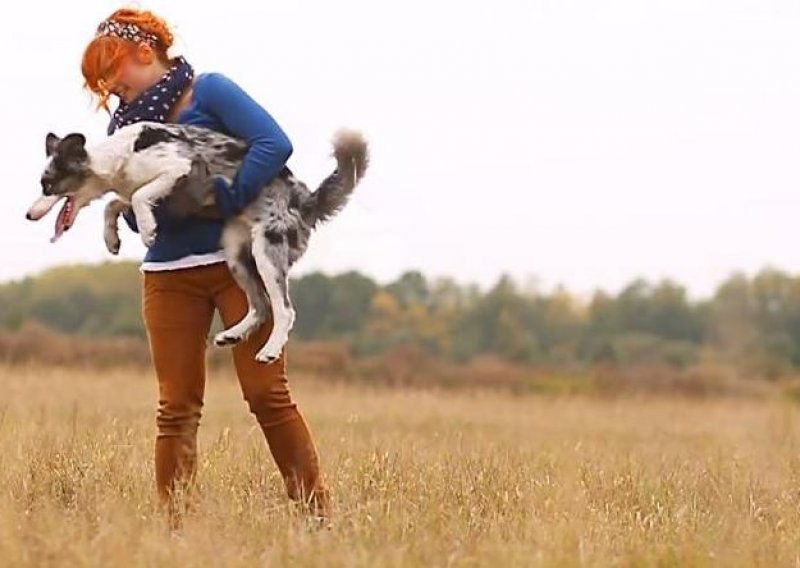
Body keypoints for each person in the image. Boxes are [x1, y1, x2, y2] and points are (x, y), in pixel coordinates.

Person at [81, 8, 328, 524]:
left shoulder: (209, 91)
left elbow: (274, 143)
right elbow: (130, 208)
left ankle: (315, 516)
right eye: (98, 83)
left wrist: (229, 195)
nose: (108, 89)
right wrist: (131, 211)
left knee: (266, 394)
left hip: (238, 265)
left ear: (144, 52)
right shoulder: (123, 126)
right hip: (168, 276)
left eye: (111, 73)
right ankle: (177, 530)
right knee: (175, 408)